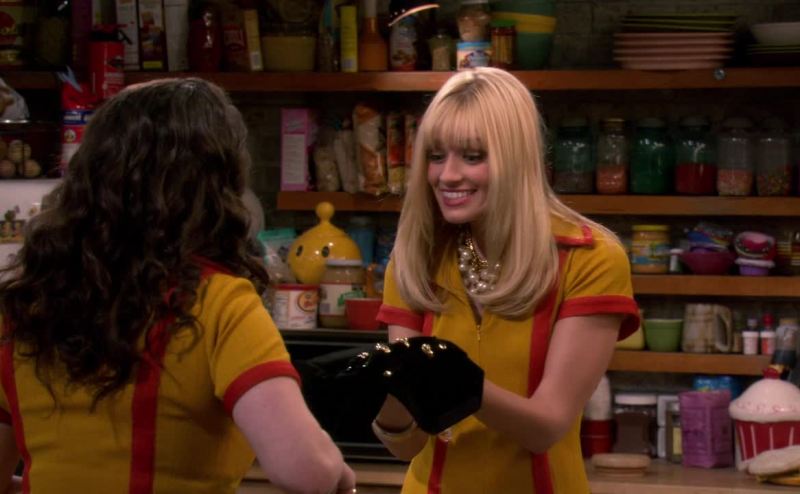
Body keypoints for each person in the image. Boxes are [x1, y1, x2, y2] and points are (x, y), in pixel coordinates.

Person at [0, 78, 356, 494]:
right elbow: (305, 470)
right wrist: (338, 472)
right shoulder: (219, 304)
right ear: (219, 185)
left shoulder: (27, 305)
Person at [371, 67, 640, 493]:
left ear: (517, 159)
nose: (447, 175)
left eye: (472, 156)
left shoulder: (590, 259)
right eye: (436, 156)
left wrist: (451, 378)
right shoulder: (414, 260)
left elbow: (545, 427)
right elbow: (406, 446)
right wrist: (386, 385)